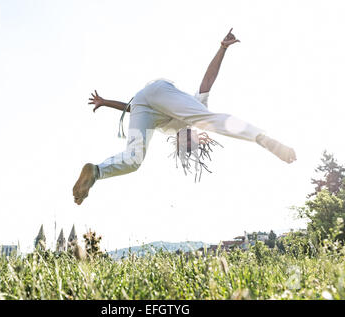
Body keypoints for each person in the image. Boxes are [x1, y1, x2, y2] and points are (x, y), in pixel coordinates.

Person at [73, 29, 296, 205]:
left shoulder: (166, 127)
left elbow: (132, 109)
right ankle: (263, 139)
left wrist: (105, 102)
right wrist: (222, 49)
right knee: (209, 119)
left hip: (141, 101)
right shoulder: (194, 108)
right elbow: (208, 79)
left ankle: (96, 171)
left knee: (133, 159)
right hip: (160, 90)